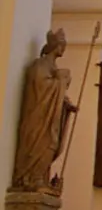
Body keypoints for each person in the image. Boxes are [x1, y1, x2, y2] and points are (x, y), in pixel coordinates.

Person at [9, 29, 77, 194]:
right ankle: (31, 178)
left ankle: (40, 177)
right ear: (56, 46)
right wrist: (61, 79)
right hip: (38, 117)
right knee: (44, 143)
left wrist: (66, 103)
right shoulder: (40, 65)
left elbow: (54, 90)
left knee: (51, 144)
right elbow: (41, 89)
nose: (64, 48)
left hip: (50, 117)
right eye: (62, 45)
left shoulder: (52, 67)